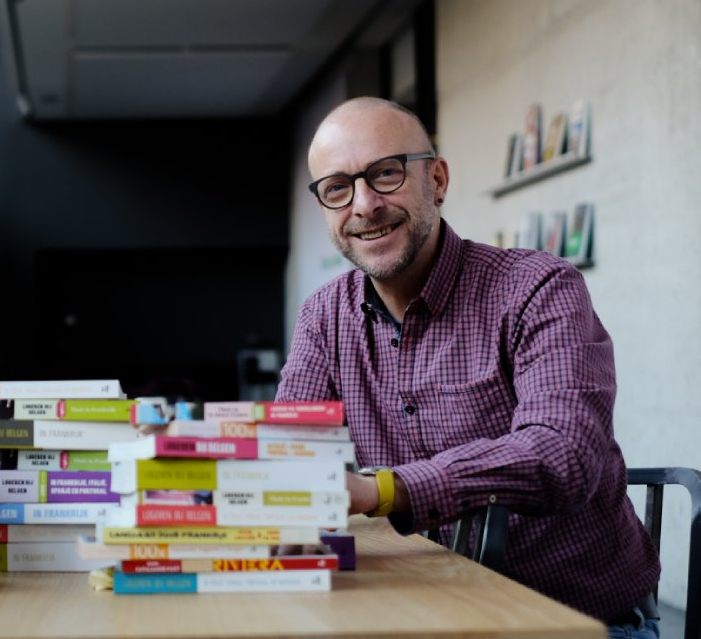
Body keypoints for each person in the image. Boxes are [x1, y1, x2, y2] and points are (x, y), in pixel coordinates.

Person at [276, 97, 661, 637]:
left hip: (575, 619)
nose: (363, 204)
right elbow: (288, 445)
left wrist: (383, 489)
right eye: (338, 188)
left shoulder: (538, 288)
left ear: (436, 180)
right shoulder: (323, 316)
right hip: (423, 608)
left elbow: (564, 453)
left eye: (386, 174)